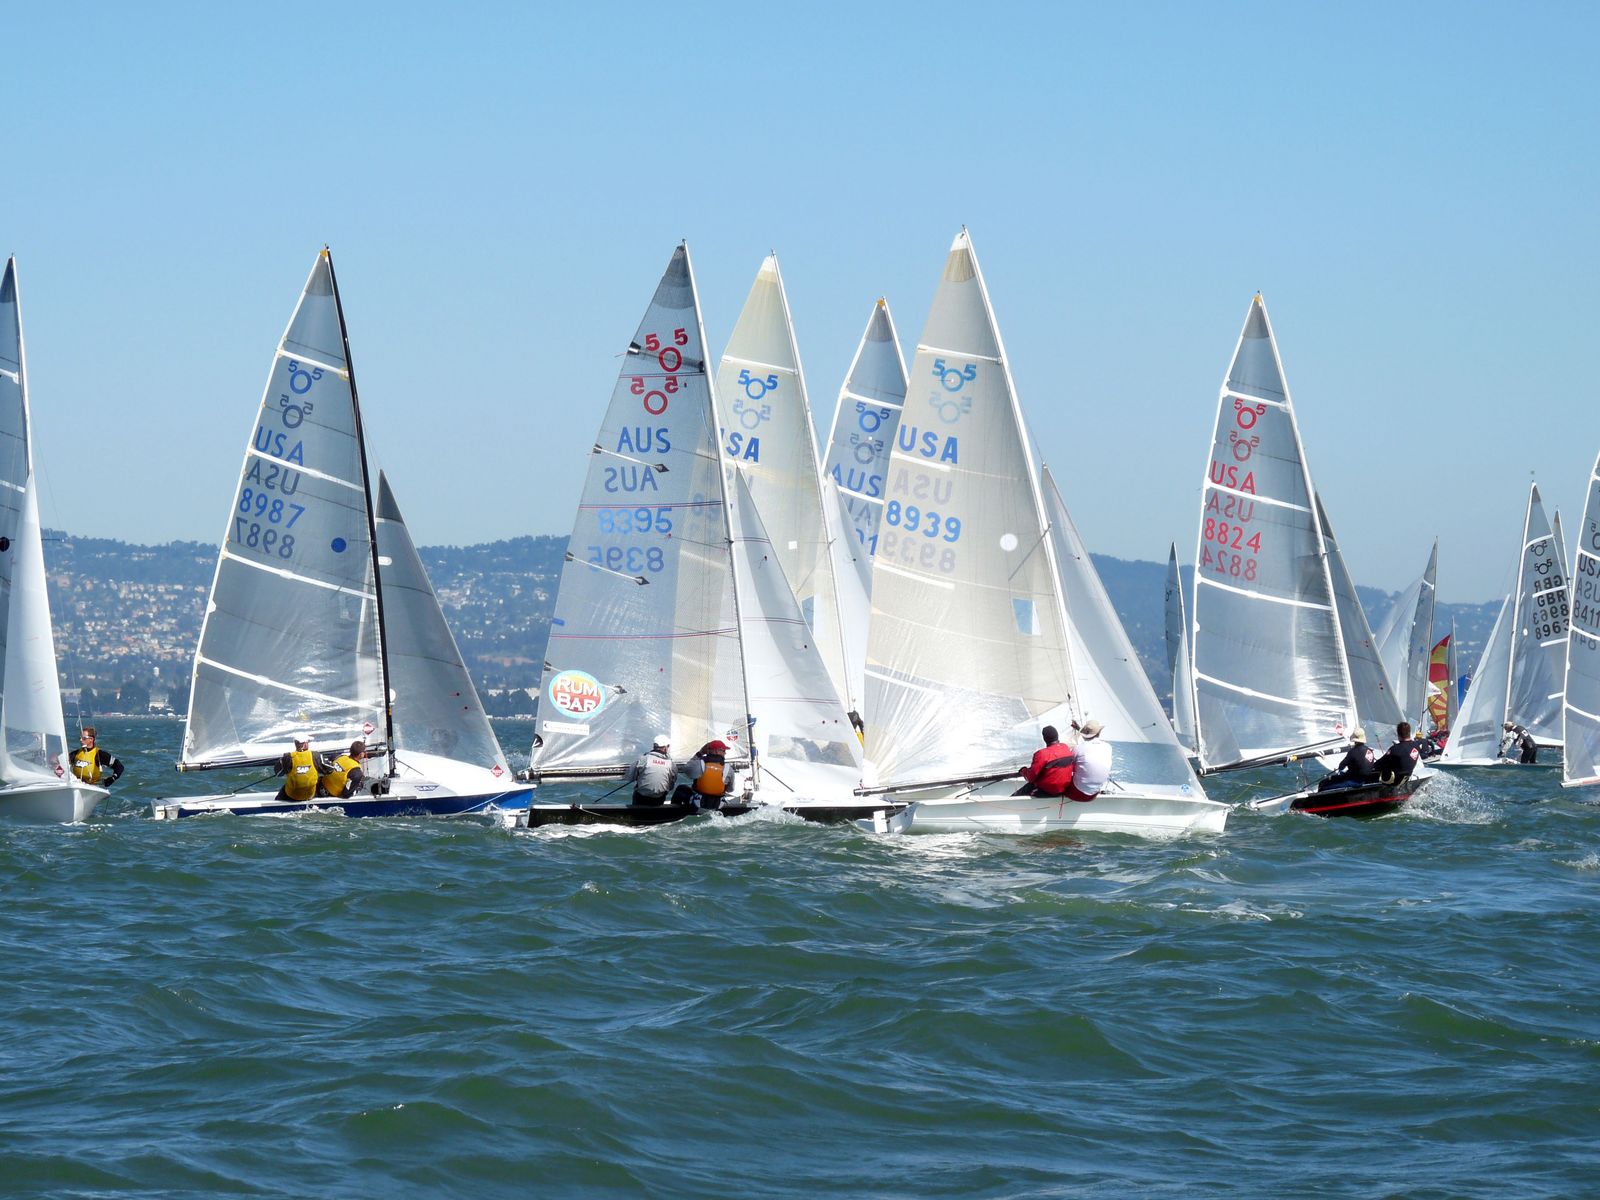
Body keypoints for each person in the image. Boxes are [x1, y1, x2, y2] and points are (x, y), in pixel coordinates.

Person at [1015, 724, 1075, 796]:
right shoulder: (1065, 747)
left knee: (1024, 790)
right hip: (1064, 789)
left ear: (1044, 739)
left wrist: (1023, 771)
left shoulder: (1041, 754)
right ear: (1057, 736)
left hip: (1047, 791)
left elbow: (1031, 778)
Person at [1062, 719, 1112, 803]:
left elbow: (1068, 765)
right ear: (1099, 733)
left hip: (1077, 794)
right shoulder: (1108, 747)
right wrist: (1079, 728)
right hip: (1094, 794)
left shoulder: (1078, 748)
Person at [678, 738, 735, 808]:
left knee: (680, 788)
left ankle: (674, 812)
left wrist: (700, 753)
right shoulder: (729, 769)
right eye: (723, 751)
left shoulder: (699, 764)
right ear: (717, 751)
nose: (725, 753)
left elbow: (686, 769)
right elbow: (730, 789)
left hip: (697, 804)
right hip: (718, 805)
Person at [274, 735, 331, 803]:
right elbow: (329, 770)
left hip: (291, 795)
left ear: (295, 744)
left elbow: (278, 773)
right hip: (310, 795)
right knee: (320, 780)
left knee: (282, 793)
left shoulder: (288, 757)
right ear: (305, 744)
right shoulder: (316, 755)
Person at [627, 733, 678, 806]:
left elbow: (630, 777)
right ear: (665, 748)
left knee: (637, 791)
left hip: (641, 798)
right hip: (658, 799)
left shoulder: (644, 759)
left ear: (654, 746)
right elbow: (671, 786)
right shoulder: (671, 764)